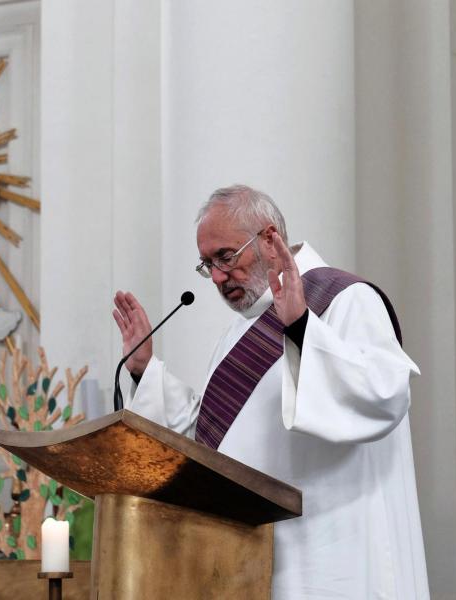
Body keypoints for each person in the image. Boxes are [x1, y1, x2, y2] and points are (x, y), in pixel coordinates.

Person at [112, 185, 429, 599]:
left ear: (268, 238)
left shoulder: (346, 299)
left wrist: (301, 327)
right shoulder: (237, 332)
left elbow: (384, 394)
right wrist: (144, 372)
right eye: (208, 265)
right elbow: (214, 444)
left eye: (226, 257)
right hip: (255, 556)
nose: (219, 278)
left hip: (333, 552)